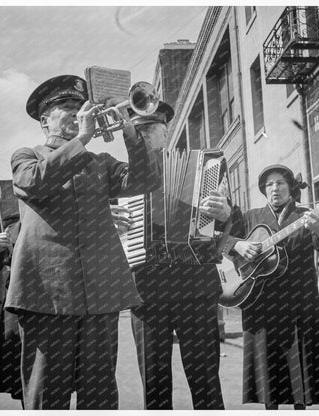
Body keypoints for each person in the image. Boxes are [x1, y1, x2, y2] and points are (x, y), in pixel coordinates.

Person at [4, 74, 161, 410]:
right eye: (67, 107)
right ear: (45, 120)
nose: (77, 112)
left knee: (100, 393)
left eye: (80, 106)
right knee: (48, 394)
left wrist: (131, 131)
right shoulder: (26, 156)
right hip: (47, 295)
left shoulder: (100, 163)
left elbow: (146, 179)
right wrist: (85, 138)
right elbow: (33, 183)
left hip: (99, 294)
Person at [113, 102, 233, 410]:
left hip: (195, 285)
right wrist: (109, 223)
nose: (145, 138)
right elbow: (101, 235)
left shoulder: (203, 169)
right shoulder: (118, 176)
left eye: (151, 131)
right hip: (146, 291)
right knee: (154, 385)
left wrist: (225, 214)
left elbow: (232, 225)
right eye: (138, 132)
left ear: (166, 134)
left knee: (206, 381)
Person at [225, 164, 319, 410]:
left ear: (291, 188)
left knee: (300, 373)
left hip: (299, 303)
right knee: (267, 373)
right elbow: (224, 242)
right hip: (261, 303)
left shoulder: (308, 214)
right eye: (269, 184)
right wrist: (239, 246)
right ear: (264, 190)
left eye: (280, 183)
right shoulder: (250, 217)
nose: (275, 188)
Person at [0, 214, 23, 407]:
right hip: (16, 307)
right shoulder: (11, 226)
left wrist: (15, 250)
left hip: (47, 306)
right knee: (19, 368)